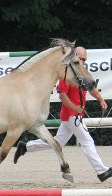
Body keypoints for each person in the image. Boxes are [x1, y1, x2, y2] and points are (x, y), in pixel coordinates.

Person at [14, 46, 112, 182]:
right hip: (72, 115)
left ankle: (25, 146)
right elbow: (62, 95)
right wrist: (74, 107)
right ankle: (101, 171)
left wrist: (100, 99)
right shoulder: (68, 75)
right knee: (87, 141)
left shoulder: (82, 73)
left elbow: (91, 88)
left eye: (85, 59)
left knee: (58, 142)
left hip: (72, 116)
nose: (83, 61)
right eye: (81, 59)